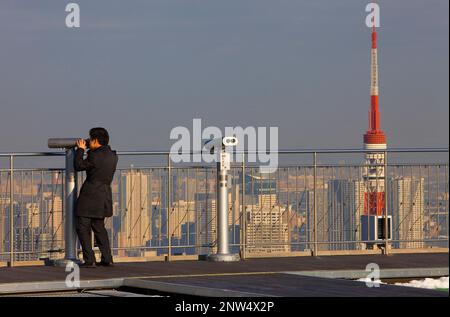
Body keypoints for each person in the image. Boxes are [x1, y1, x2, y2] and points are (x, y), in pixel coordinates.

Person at [74, 127, 118, 268]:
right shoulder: (113, 155)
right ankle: (107, 258)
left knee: (82, 227)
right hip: (104, 196)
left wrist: (80, 149)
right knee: (99, 228)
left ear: (95, 140)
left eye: (90, 139)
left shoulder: (94, 156)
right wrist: (90, 149)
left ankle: (89, 260)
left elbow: (79, 165)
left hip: (89, 196)